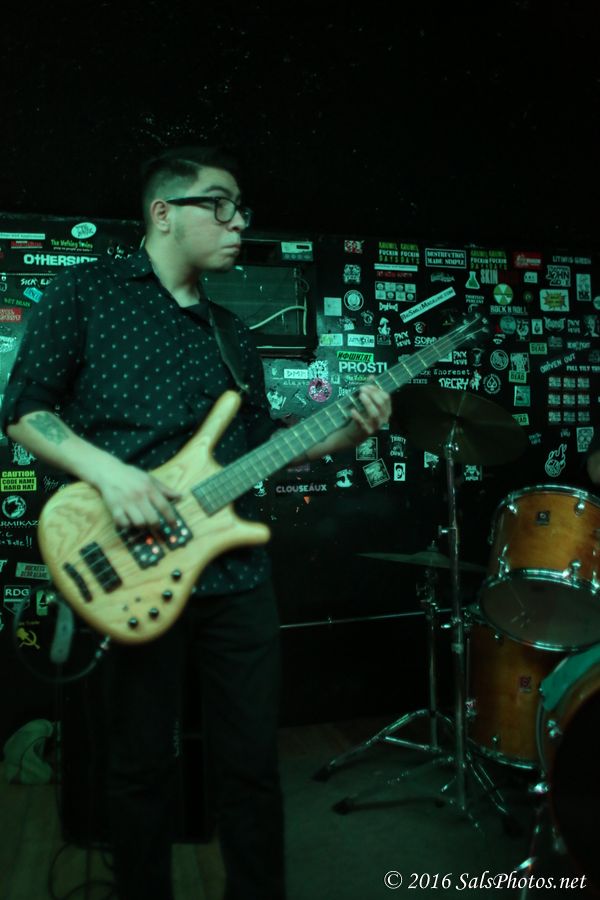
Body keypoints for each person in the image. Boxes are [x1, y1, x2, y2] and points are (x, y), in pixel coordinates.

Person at [0, 145, 392, 900]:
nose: (238, 221)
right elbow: (23, 409)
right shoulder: (86, 292)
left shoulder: (232, 334)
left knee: (251, 768)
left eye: (241, 208)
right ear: (163, 212)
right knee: (139, 767)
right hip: (128, 565)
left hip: (235, 578)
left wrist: (346, 431)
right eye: (220, 204)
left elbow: (262, 445)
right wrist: (112, 475)